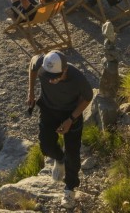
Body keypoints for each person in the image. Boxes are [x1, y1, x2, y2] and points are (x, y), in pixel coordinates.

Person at [27, 51, 92, 209]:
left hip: (71, 113)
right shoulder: (42, 63)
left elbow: (88, 97)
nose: (51, 80)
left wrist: (71, 119)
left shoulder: (77, 78)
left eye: (55, 76)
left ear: (65, 70)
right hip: (48, 109)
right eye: (48, 76)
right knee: (46, 145)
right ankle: (59, 158)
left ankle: (70, 189)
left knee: (73, 152)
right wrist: (31, 92)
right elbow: (32, 65)